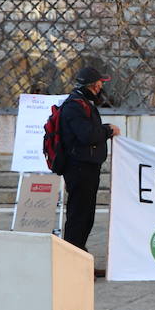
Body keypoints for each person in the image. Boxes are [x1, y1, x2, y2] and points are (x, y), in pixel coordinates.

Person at [59, 67, 120, 252]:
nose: (102, 86)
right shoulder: (75, 105)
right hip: (79, 168)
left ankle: (80, 257)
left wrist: (103, 128)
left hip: (87, 167)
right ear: (92, 85)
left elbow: (87, 130)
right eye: (100, 83)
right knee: (79, 216)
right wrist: (108, 130)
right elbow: (86, 135)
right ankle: (72, 258)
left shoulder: (83, 103)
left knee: (86, 216)